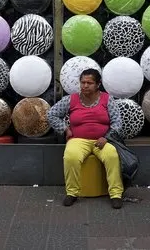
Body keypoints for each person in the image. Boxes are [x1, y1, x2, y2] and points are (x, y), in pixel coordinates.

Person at [47, 68, 124, 209]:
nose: (85, 86)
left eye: (89, 83)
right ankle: (72, 193)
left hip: (102, 140)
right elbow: (52, 114)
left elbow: (117, 122)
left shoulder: (107, 99)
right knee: (71, 156)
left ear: (98, 84)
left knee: (112, 156)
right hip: (78, 139)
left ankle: (116, 194)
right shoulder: (71, 99)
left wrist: (106, 138)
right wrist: (65, 129)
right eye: (83, 82)